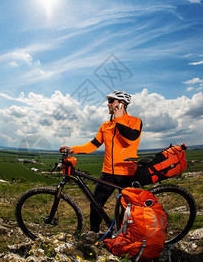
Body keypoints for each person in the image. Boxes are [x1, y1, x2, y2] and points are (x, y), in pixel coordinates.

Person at [59, 90, 143, 233]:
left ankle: (123, 237)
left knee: (126, 209)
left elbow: (130, 139)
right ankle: (94, 234)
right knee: (95, 205)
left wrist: (119, 119)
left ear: (121, 104)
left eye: (111, 101)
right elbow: (93, 145)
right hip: (108, 173)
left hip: (127, 173)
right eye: (108, 101)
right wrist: (74, 149)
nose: (108, 104)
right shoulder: (106, 126)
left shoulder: (135, 121)